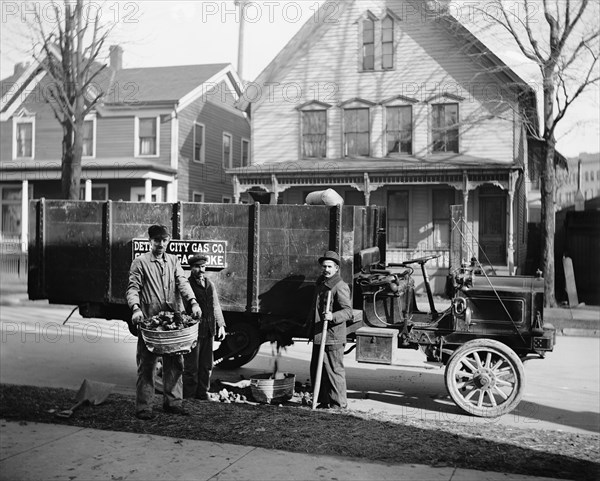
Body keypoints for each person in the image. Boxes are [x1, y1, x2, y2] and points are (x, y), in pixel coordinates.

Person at [126, 224, 202, 420]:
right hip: (150, 322)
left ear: (168, 241)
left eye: (164, 240)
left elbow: (182, 283)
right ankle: (144, 407)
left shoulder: (173, 261)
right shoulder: (140, 262)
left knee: (176, 362)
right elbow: (133, 288)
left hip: (174, 322)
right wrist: (135, 308)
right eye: (157, 240)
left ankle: (173, 403)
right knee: (147, 364)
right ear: (150, 241)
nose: (161, 244)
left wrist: (193, 303)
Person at [307, 250, 353, 410]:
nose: (326, 269)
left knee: (334, 370)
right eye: (324, 266)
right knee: (318, 369)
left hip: (333, 335)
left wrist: (332, 315)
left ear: (336, 268)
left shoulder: (340, 286)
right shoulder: (321, 284)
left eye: (329, 267)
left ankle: (339, 404)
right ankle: (323, 401)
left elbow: (348, 311)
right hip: (320, 334)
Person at [183, 254, 226, 401]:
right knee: (191, 367)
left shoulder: (209, 284)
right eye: (197, 267)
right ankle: (189, 396)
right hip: (193, 333)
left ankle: (202, 394)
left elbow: (215, 305)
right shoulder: (187, 285)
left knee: (206, 365)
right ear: (191, 268)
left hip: (208, 331)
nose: (201, 270)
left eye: (203, 266)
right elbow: (182, 308)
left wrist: (220, 325)